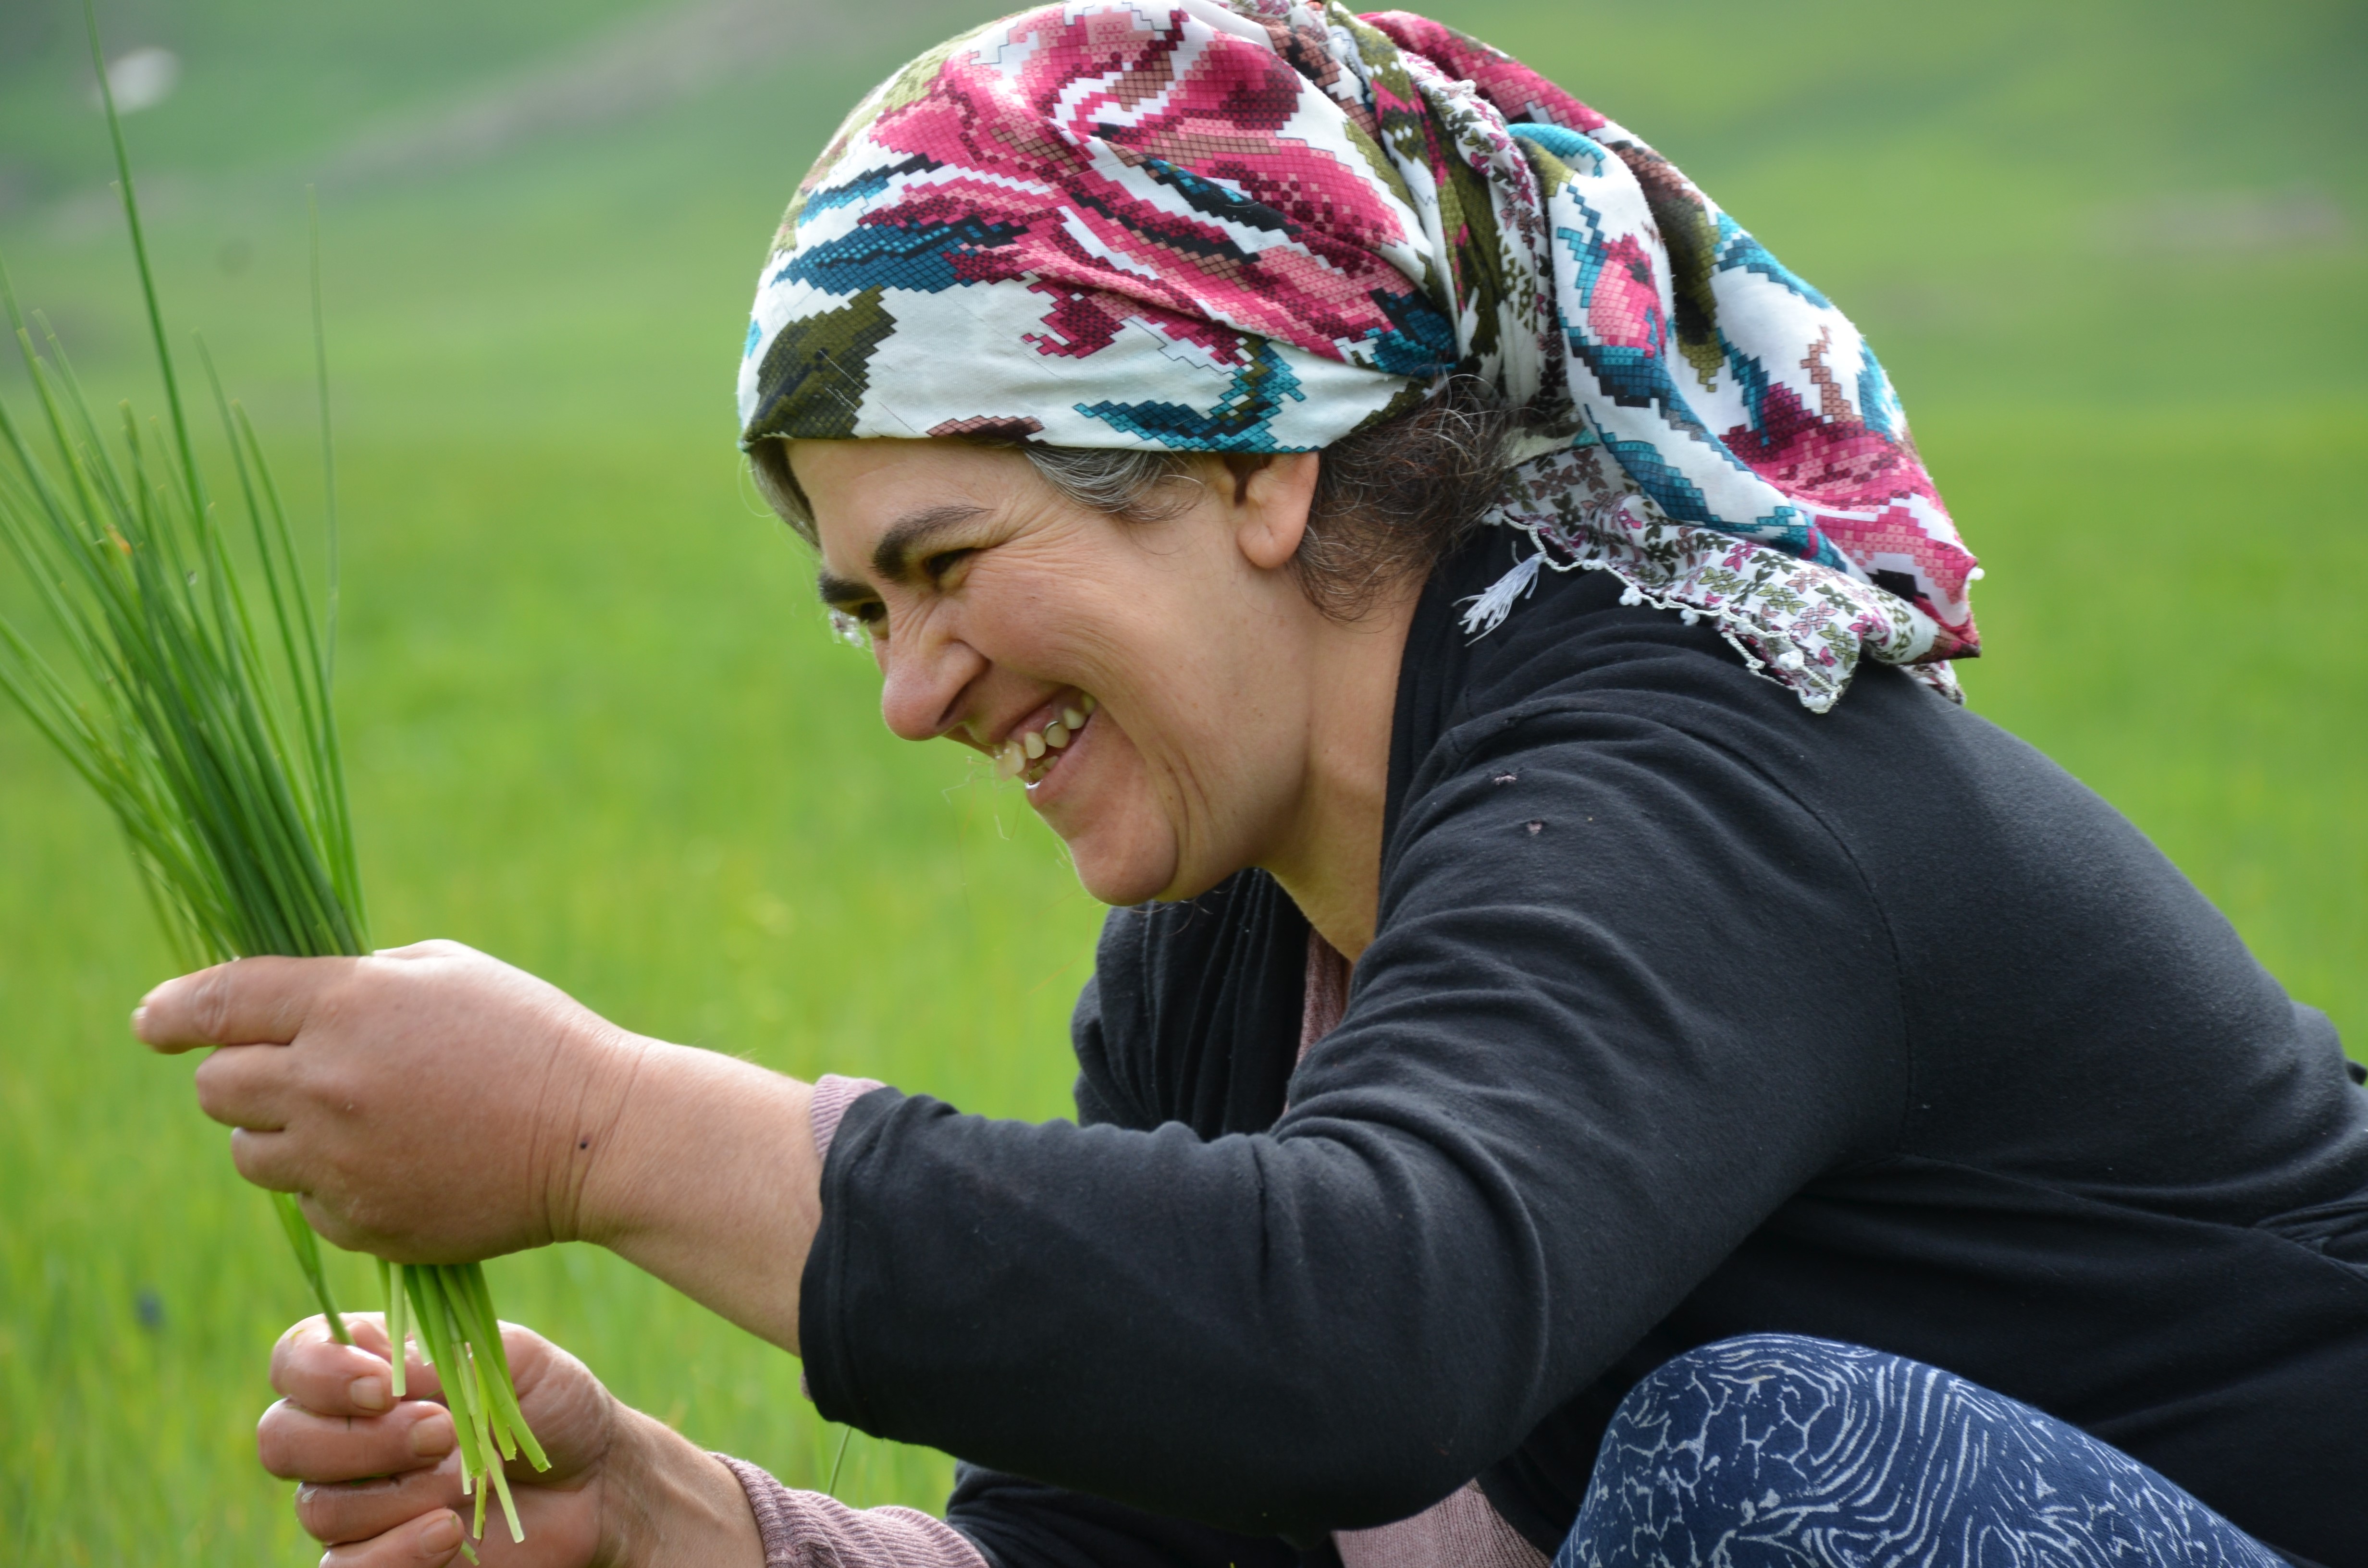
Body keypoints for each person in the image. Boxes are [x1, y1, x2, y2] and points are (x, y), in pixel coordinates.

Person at [131, 2, 2368, 1565]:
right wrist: (698, 1529)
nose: (909, 695)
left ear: (1256, 473)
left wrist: (592, 1130)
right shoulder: (1233, 935)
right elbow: (1167, 1530)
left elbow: (1360, 1327)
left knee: (1751, 1463)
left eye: (949, 566)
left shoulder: (1680, 765)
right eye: (858, 612)